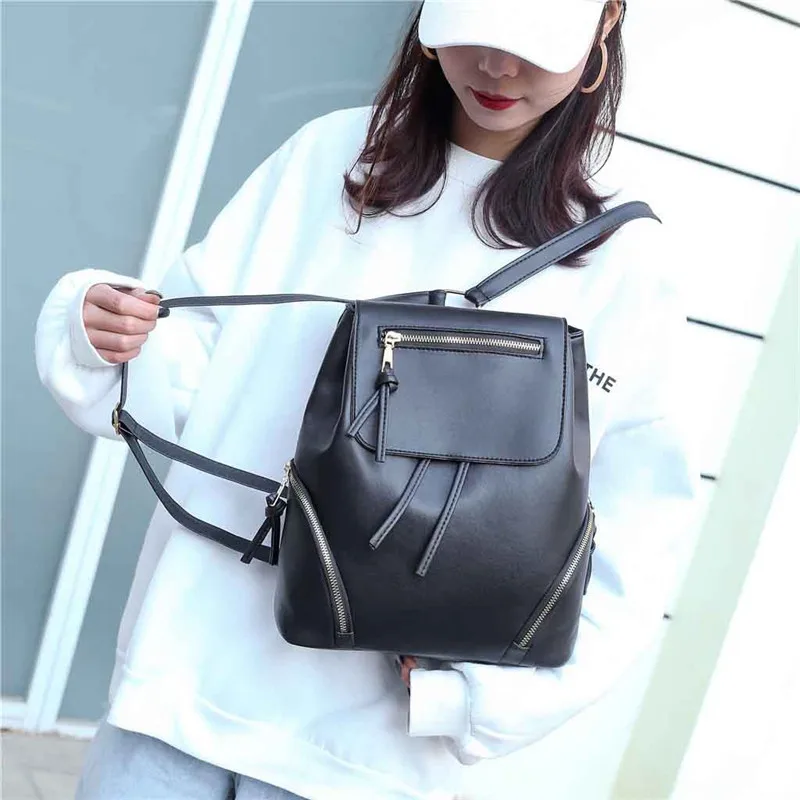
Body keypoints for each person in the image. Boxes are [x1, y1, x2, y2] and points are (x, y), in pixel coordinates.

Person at [35, 1, 697, 798]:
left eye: (530, 43)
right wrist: (104, 328)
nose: (497, 66)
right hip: (187, 686)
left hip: (368, 751)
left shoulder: (622, 260)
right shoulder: (331, 159)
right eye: (475, 32)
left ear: (605, 22)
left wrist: (476, 701)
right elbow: (190, 371)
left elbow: (637, 528)